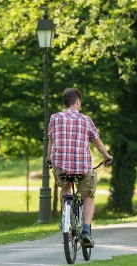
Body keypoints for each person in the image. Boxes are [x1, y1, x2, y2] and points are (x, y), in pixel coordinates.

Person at [48, 87, 113, 248]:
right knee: (88, 196)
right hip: (82, 167)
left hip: (61, 166)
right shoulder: (86, 119)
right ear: (77, 102)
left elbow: (51, 140)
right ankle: (85, 231)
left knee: (65, 189)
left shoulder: (54, 118)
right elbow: (97, 142)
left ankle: (66, 219)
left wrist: (49, 158)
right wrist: (107, 156)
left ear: (65, 103)